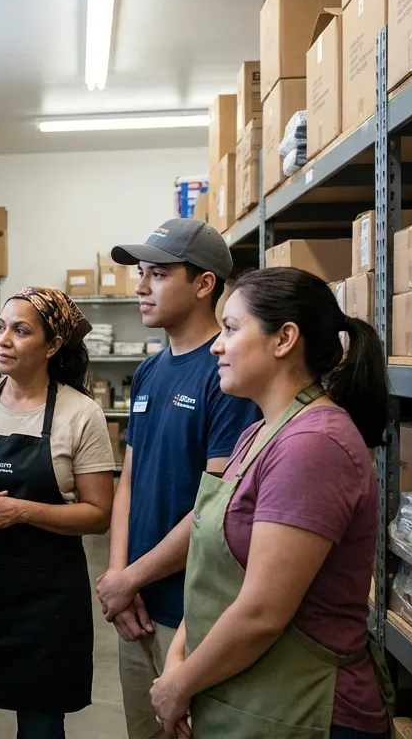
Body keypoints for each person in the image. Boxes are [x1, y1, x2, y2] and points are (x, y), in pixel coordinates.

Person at [141, 267, 392, 738]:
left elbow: (261, 612)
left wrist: (178, 687)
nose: (216, 344)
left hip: (306, 712)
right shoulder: (258, 432)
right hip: (246, 699)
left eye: (231, 329)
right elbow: (214, 577)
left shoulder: (314, 446)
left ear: (284, 339)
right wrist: (179, 665)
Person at [94, 218, 261, 739]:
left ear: (204, 283)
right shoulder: (149, 371)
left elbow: (216, 508)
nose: (141, 288)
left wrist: (131, 578)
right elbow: (130, 482)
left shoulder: (227, 376)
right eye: (140, 274)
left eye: (158, 274)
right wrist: (119, 577)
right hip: (135, 604)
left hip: (191, 613)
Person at [0, 286, 117, 739]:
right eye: (0, 327)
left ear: (52, 346)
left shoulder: (80, 414)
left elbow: (98, 514)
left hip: (45, 604)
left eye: (20, 330)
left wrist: (20, 511)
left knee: (40, 728)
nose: (2, 340)